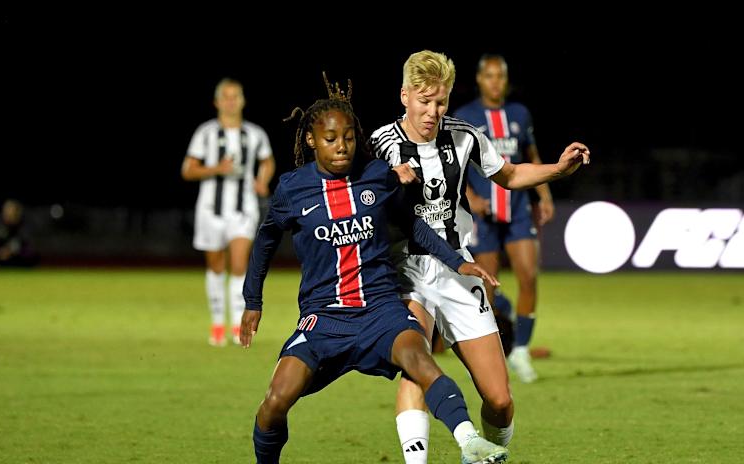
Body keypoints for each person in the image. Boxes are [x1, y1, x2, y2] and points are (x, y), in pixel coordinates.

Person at [240, 75, 510, 463]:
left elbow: (413, 224)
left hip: (381, 311)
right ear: (312, 140)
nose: (342, 147)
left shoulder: (376, 175)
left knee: (421, 362)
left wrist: (459, 261)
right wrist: (253, 301)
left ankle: (469, 441)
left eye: (349, 137)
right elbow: (265, 241)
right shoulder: (292, 189)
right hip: (323, 318)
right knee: (275, 402)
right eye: (331, 139)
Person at [369, 50, 590, 463]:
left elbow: (508, 176)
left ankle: (490, 455)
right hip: (406, 271)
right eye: (424, 101)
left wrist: (557, 171)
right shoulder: (381, 145)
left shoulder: (465, 136)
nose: (433, 111)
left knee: (500, 400)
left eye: (440, 101)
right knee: (416, 365)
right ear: (404, 96)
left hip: (459, 268)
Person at [454, 54, 553, 383]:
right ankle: (495, 348)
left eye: (501, 76)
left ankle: (521, 351)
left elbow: (531, 156)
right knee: (487, 288)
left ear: (506, 80)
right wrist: (471, 197)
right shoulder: (465, 116)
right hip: (484, 215)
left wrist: (544, 194)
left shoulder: (519, 114)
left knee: (528, 275)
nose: (495, 82)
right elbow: (454, 164)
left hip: (517, 210)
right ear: (480, 79)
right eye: (490, 76)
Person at [181, 78, 275, 346]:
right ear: (217, 102)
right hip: (211, 210)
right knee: (215, 266)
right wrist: (216, 169)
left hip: (243, 208)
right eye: (227, 97)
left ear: (243, 100)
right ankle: (217, 322)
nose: (232, 101)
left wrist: (262, 180)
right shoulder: (206, 133)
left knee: (238, 264)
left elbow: (267, 161)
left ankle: (237, 324)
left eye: (236, 96)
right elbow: (188, 170)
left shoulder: (255, 134)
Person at [0, 199, 38, 267]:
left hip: (20, 262)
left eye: (15, 211)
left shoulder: (25, 227)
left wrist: (11, 251)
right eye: (9, 211)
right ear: (4, 211)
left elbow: (30, 250)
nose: (11, 214)